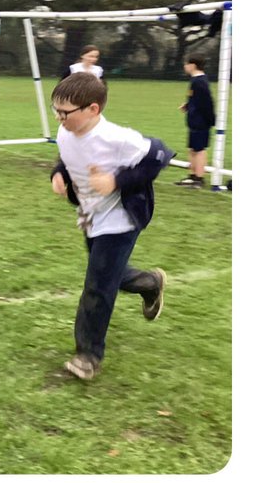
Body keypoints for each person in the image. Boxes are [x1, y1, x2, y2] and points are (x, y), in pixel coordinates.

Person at [49, 72, 174, 380]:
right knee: (108, 274)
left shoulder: (117, 138)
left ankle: (88, 355)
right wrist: (59, 173)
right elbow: (68, 157)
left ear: (93, 109)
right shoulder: (66, 133)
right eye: (57, 111)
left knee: (98, 285)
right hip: (91, 216)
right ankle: (149, 283)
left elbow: (160, 155)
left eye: (66, 113)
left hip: (120, 219)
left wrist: (116, 180)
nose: (60, 118)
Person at [176, 57, 216, 188]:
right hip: (194, 121)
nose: (184, 66)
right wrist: (188, 105)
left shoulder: (200, 82)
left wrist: (210, 120)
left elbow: (207, 103)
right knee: (192, 149)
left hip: (201, 122)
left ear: (193, 65)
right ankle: (192, 176)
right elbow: (197, 99)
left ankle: (199, 179)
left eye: (186, 64)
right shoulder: (195, 81)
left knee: (199, 150)